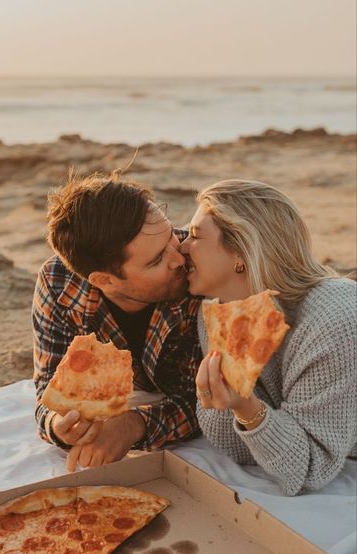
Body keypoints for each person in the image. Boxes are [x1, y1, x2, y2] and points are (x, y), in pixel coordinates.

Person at [180, 178, 357, 496]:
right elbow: (237, 447)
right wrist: (236, 406)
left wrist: (247, 409)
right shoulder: (216, 317)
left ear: (240, 251)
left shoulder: (333, 317)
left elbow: (309, 469)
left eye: (195, 236)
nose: (182, 247)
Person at [32, 172, 201, 472]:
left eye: (171, 236)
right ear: (103, 280)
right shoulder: (59, 284)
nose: (179, 258)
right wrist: (59, 425)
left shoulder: (201, 266)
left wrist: (133, 425)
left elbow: (210, 402)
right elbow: (48, 389)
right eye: (157, 260)